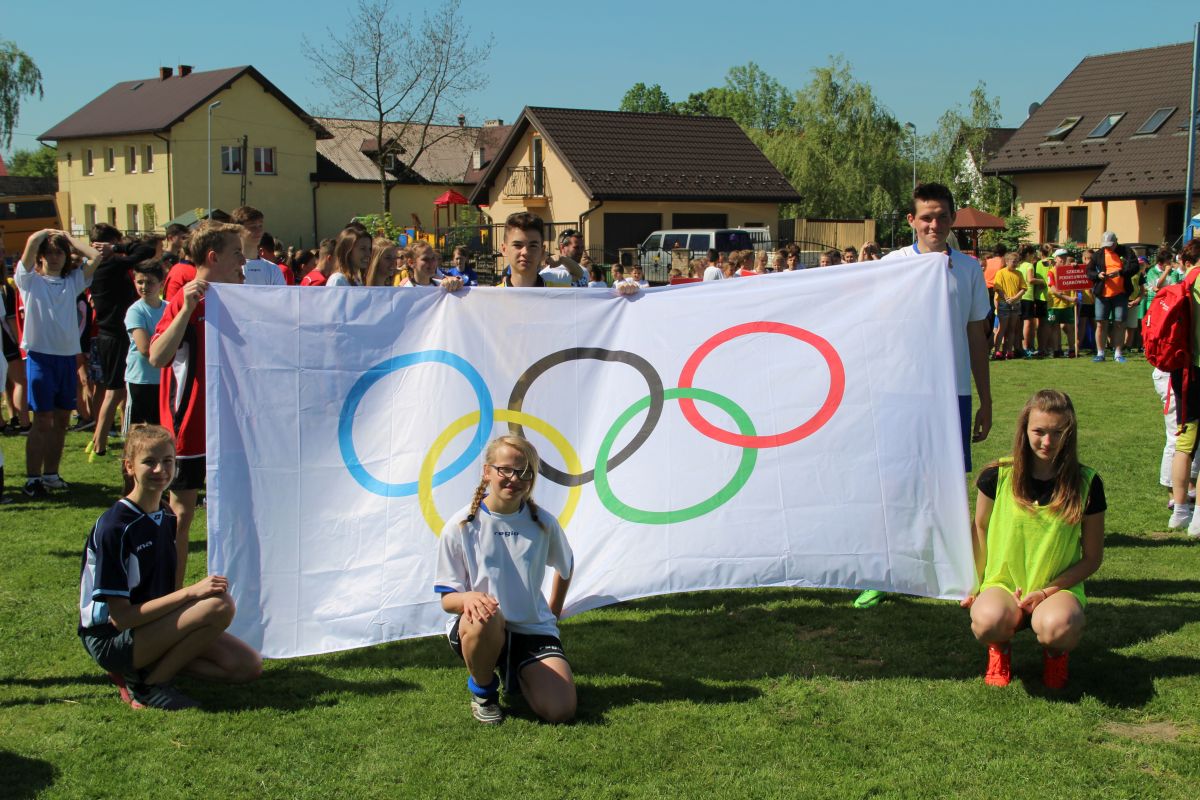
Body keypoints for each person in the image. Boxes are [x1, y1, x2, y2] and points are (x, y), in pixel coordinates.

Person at [857, 183, 992, 609]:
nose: (935, 224)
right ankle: (885, 572)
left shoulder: (968, 269)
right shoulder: (893, 265)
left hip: (951, 392)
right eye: (927, 217)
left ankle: (957, 572)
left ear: (952, 219)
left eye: (942, 216)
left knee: (948, 484)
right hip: (901, 391)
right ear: (912, 221)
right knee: (896, 484)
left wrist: (985, 399)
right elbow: (869, 322)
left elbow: (976, 336)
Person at [77, 423, 262, 710]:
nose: (160, 470)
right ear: (129, 466)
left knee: (246, 666)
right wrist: (190, 594)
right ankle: (148, 686)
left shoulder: (166, 515)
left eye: (167, 461)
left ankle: (144, 668)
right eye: (149, 462)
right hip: (110, 639)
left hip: (147, 626)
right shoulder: (115, 527)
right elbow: (121, 618)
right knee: (219, 605)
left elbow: (162, 591)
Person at [963, 389, 1105, 689]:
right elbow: (980, 529)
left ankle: (1055, 654)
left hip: (1055, 589)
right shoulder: (997, 475)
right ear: (1024, 430)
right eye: (1039, 431)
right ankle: (999, 647)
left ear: (1069, 433)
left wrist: (1044, 592)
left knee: (1058, 628)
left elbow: (1092, 558)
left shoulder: (1087, 483)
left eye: (1057, 432)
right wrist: (973, 584)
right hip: (1003, 583)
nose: (1047, 441)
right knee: (988, 621)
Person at [434, 435, 575, 724]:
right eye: (506, 470)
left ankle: (516, 670)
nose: (515, 479)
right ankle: (484, 693)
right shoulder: (460, 526)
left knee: (561, 711)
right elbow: (448, 600)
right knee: (486, 615)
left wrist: (553, 613)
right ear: (487, 472)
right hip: (480, 626)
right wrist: (468, 598)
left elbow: (566, 567)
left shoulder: (544, 523)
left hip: (532, 630)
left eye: (524, 472)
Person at [149, 221, 246, 587]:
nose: (243, 261)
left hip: (234, 425)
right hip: (191, 427)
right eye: (237, 253)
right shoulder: (186, 299)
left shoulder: (242, 297)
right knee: (181, 514)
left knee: (238, 513)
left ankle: (237, 591)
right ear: (214, 257)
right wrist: (185, 309)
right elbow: (157, 357)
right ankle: (173, 598)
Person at [15, 229, 102, 497]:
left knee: (62, 419)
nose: (54, 258)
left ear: (66, 256)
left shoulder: (72, 282)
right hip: (40, 357)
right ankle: (33, 479)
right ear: (41, 257)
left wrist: (67, 238)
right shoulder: (29, 281)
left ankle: (51, 475)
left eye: (59, 253)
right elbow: (31, 243)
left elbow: (95, 256)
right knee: (43, 419)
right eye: (50, 253)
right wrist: (45, 233)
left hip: (66, 358)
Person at [87, 225, 158, 461]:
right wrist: (117, 248)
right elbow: (145, 250)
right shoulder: (109, 265)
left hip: (111, 335)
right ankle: (99, 442)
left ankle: (99, 439)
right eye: (115, 243)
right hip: (115, 337)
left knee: (115, 391)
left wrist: (114, 247)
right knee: (114, 391)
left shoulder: (102, 266)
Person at [1164, 240, 1200, 534]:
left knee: (1184, 444)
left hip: (1182, 369)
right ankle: (1198, 519)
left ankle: (1179, 512)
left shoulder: (1183, 280)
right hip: (1197, 366)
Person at [123, 258, 167, 430]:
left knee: (160, 429)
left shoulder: (169, 308)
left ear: (161, 284)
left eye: (150, 282)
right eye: (140, 282)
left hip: (163, 380)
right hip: (141, 379)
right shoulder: (136, 311)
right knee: (138, 430)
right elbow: (145, 348)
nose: (144, 287)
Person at [1086, 231, 1139, 363]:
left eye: (1110, 245)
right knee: (1100, 323)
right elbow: (1089, 271)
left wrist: (1120, 273)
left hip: (1121, 294)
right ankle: (1100, 353)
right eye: (1105, 245)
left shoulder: (1126, 252)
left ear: (1116, 242)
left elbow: (1135, 267)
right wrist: (1098, 275)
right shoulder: (1098, 254)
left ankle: (1118, 354)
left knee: (1120, 323)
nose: (1108, 247)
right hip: (1102, 294)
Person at [991, 253, 1027, 360]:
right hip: (1003, 303)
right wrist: (1007, 298)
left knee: (1012, 328)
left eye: (1017, 261)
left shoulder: (1019, 273)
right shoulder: (1001, 273)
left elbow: (1023, 288)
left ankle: (1009, 351)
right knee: (1002, 328)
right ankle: (997, 351)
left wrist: (1015, 298)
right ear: (1007, 262)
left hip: (1015, 303)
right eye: (1013, 261)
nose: (1015, 263)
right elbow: (997, 288)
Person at [1044, 249, 1077, 358]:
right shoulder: (1051, 272)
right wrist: (1069, 298)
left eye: (1064, 256)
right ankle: (1056, 350)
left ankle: (1072, 349)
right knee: (1054, 327)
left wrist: (1075, 266)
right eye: (1060, 257)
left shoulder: (1068, 269)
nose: (1063, 259)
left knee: (1070, 327)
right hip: (1053, 305)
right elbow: (1053, 289)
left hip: (1067, 305)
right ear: (1055, 259)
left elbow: (1078, 275)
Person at [397, 241, 462, 291]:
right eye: (425, 259)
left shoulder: (443, 286)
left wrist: (455, 282)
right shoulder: (404, 289)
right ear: (411, 263)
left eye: (433, 258)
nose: (432, 263)